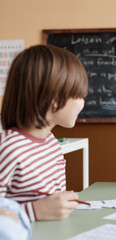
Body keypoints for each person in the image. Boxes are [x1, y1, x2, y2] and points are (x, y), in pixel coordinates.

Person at [0, 44, 88, 221]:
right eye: (79, 96)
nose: (82, 103)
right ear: (54, 100)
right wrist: (34, 211)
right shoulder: (8, 148)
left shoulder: (51, 142)